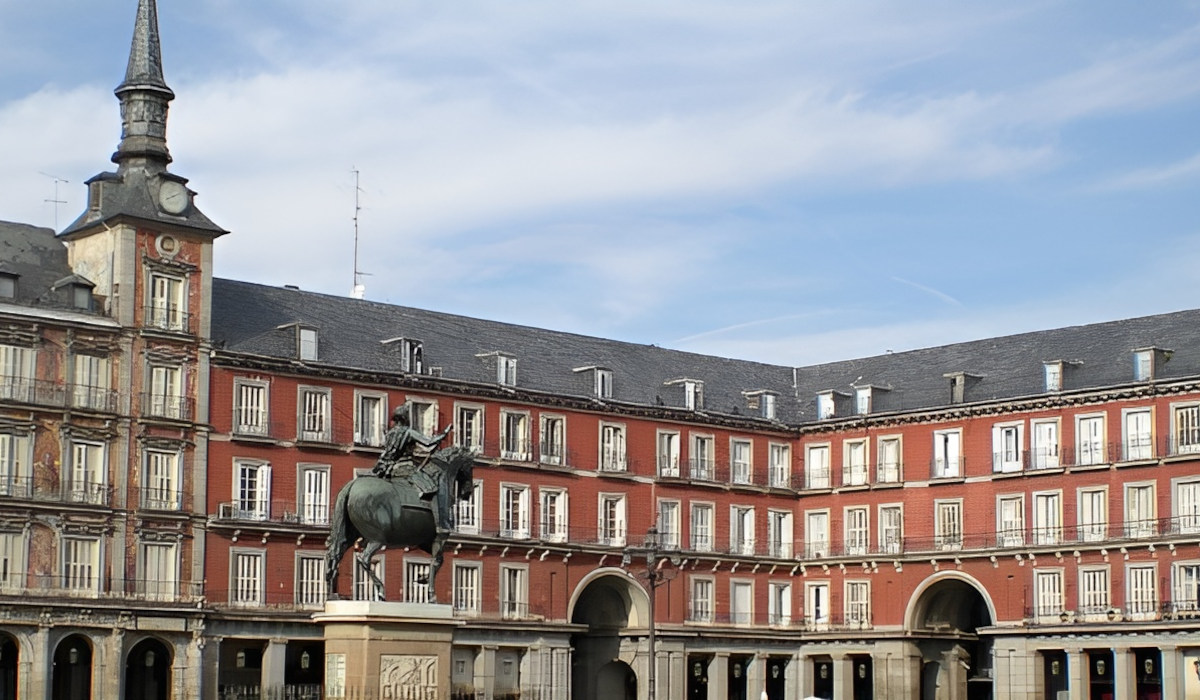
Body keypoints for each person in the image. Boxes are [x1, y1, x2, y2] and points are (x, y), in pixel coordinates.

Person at [371, 403, 454, 533]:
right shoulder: (408, 432)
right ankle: (439, 524)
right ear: (405, 418)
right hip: (405, 468)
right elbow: (428, 443)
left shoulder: (390, 434)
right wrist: (444, 433)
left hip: (389, 470)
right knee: (432, 487)